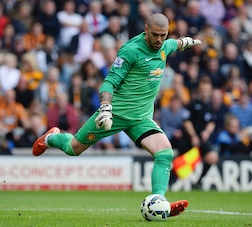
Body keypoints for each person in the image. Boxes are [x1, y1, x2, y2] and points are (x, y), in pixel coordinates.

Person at [32, 13, 202, 217]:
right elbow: (110, 81)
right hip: (115, 114)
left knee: (165, 153)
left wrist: (187, 42)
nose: (159, 40)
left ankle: (159, 201)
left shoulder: (165, 46)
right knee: (73, 148)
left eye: (163, 35)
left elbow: (175, 44)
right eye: (155, 35)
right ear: (146, 29)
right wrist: (105, 107)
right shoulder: (131, 50)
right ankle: (51, 137)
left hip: (141, 119)